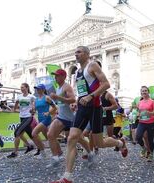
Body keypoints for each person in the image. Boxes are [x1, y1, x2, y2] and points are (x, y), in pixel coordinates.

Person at [51, 46, 128, 183]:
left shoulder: (92, 66)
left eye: (79, 52)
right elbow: (82, 91)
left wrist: (91, 96)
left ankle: (119, 143)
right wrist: (77, 101)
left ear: (87, 54)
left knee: (101, 142)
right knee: (72, 138)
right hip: (82, 107)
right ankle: (67, 177)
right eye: (75, 52)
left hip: (95, 107)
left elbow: (106, 84)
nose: (76, 54)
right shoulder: (78, 72)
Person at [7, 83, 41, 158]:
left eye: (23, 87)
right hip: (22, 117)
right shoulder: (19, 96)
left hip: (28, 117)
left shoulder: (31, 96)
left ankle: (15, 152)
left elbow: (36, 104)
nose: (22, 89)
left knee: (17, 132)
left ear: (27, 88)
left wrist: (33, 109)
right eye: (21, 87)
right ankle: (34, 147)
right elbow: (16, 104)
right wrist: (13, 110)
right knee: (30, 134)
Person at [31, 84, 57, 158]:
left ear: (43, 89)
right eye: (36, 89)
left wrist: (48, 112)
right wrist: (31, 111)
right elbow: (34, 111)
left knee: (34, 133)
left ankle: (43, 153)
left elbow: (54, 107)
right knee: (49, 137)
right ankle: (59, 152)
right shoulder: (35, 100)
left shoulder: (47, 98)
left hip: (46, 118)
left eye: (39, 89)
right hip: (40, 119)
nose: (37, 90)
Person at [136, 86, 154, 162]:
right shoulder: (139, 103)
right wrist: (138, 115)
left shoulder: (152, 102)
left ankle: (151, 154)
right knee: (138, 137)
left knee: (150, 139)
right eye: (143, 91)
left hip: (150, 123)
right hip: (141, 122)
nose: (144, 92)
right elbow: (139, 112)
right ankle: (144, 148)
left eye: (145, 91)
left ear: (148, 92)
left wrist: (150, 113)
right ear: (141, 93)